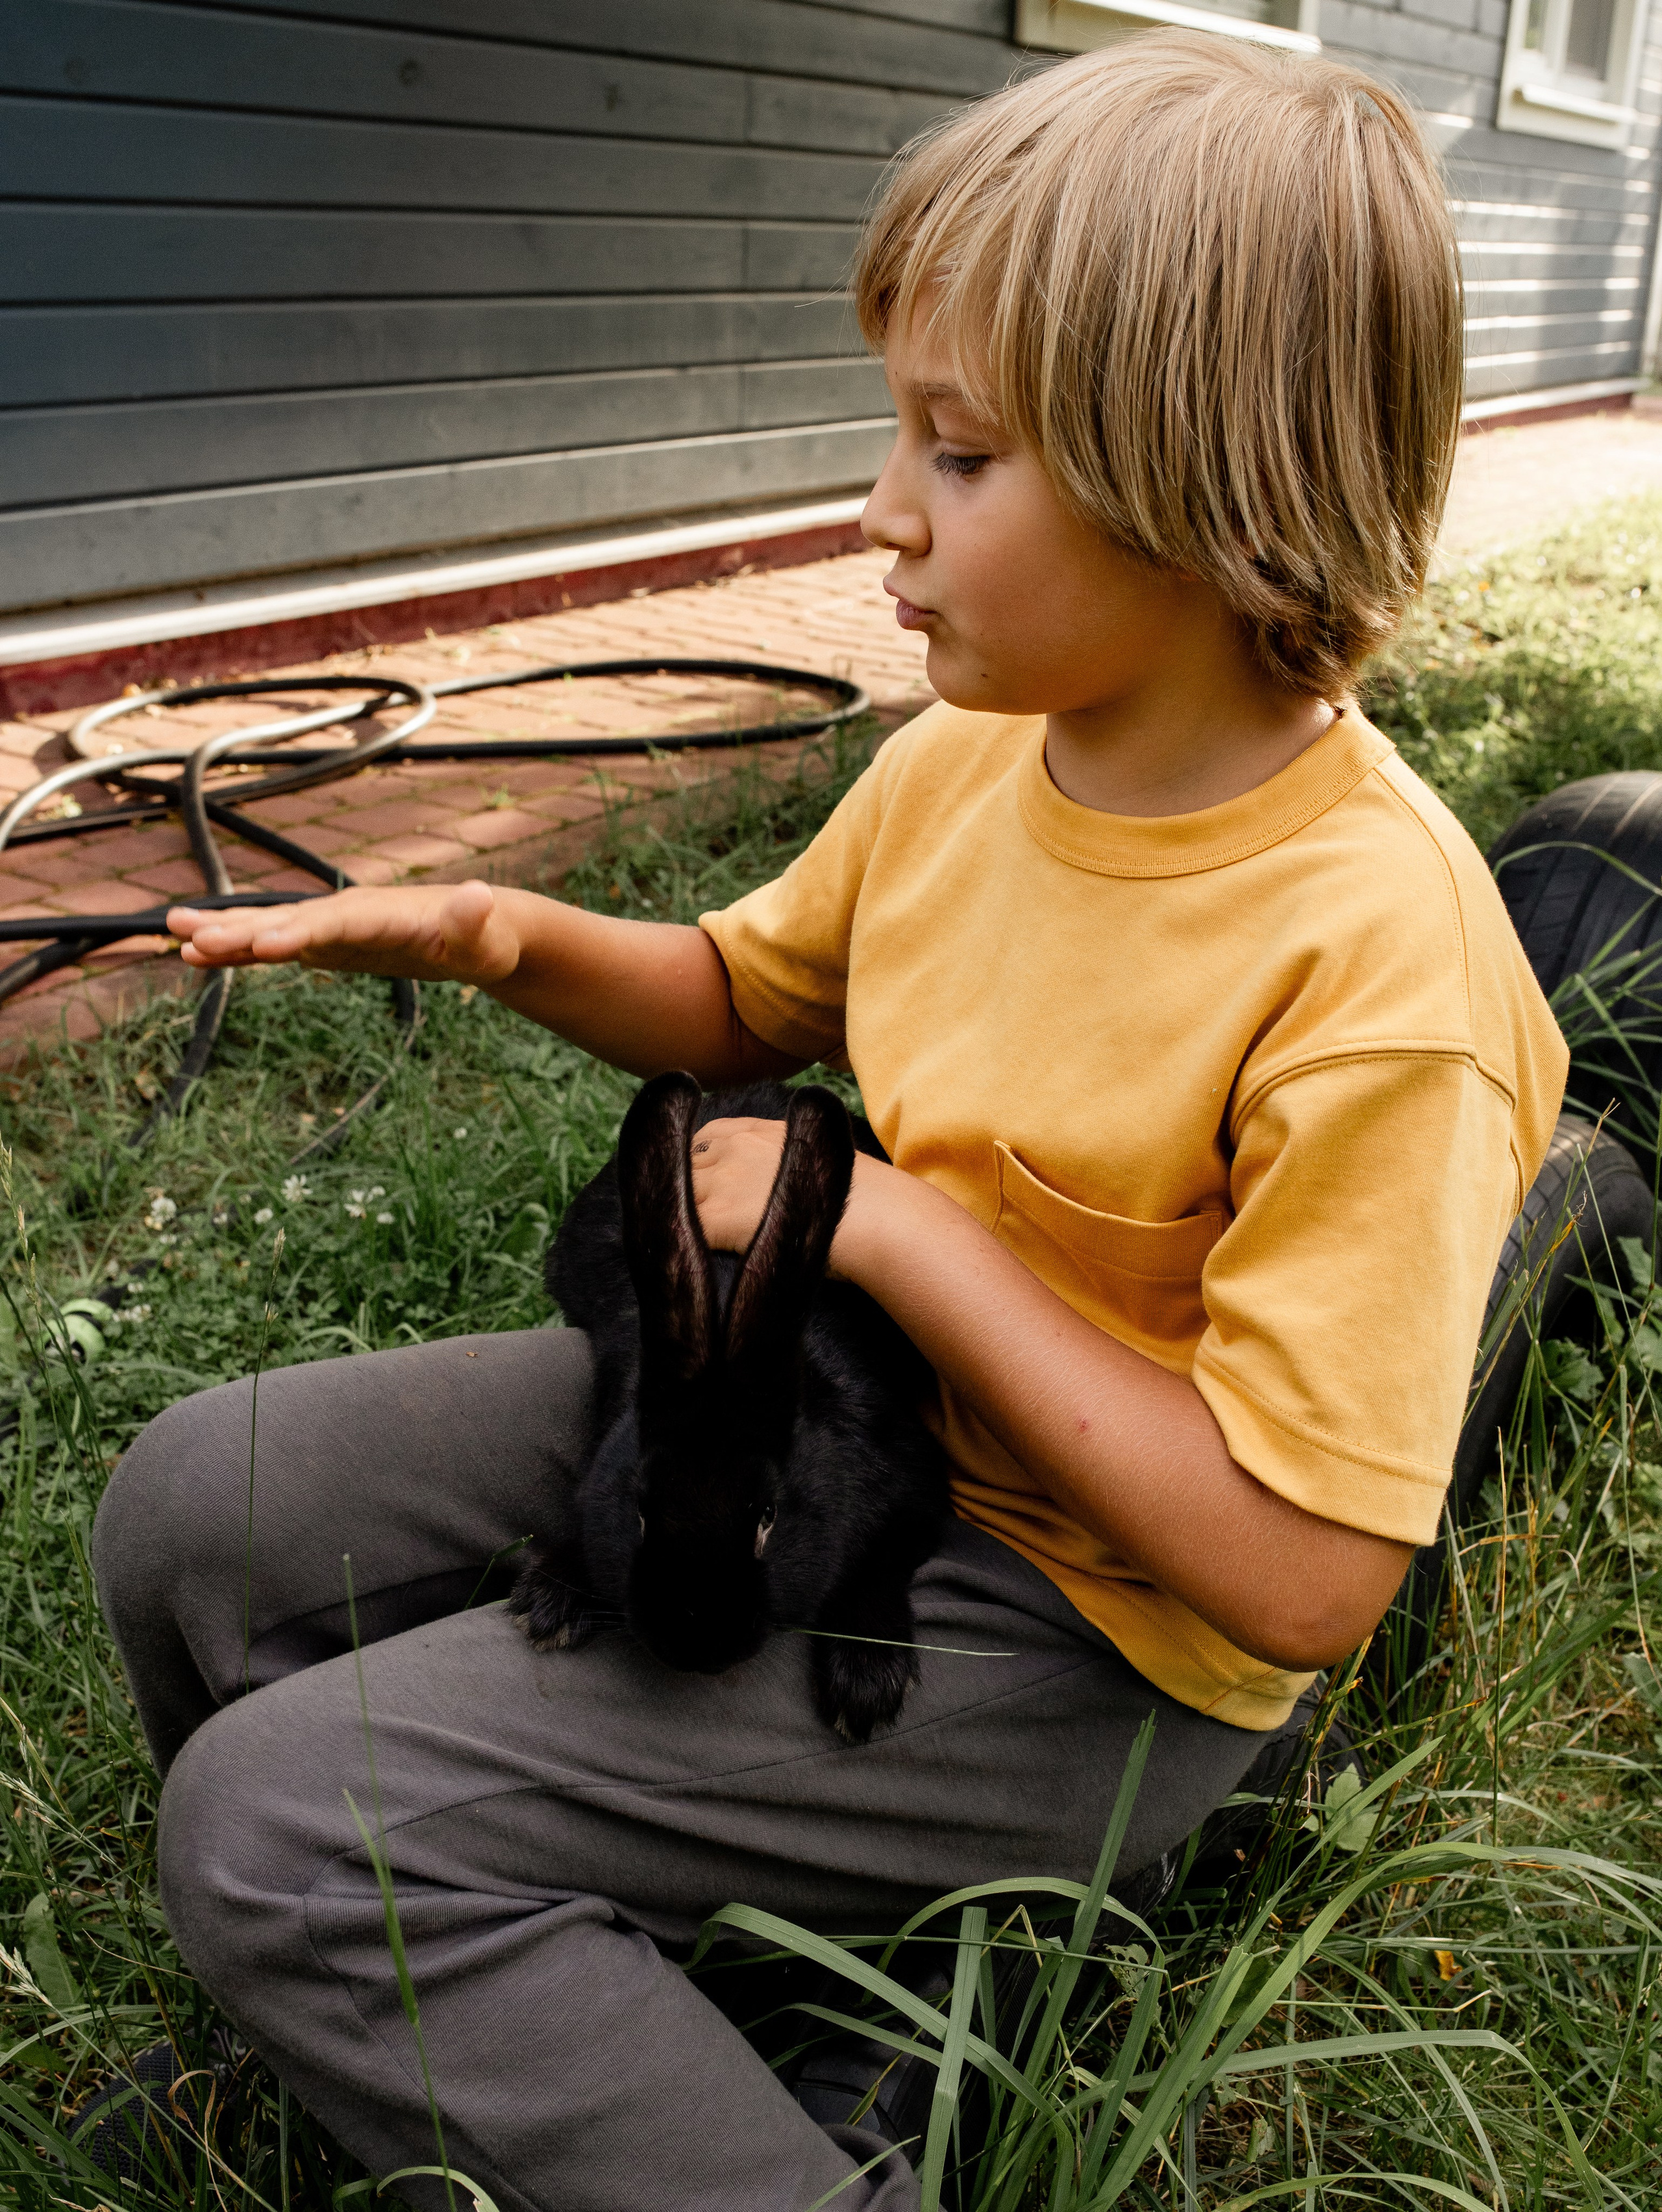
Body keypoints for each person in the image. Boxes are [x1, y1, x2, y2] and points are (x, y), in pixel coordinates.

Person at [93, 31, 1567, 2212]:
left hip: (1078, 1650)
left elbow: (1309, 1572)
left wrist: (892, 1236)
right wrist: (503, 935)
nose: (877, 511)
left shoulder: (1388, 978)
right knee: (196, 1504)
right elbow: (741, 996)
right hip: (831, 1425)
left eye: (955, 456)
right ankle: (465, 1979)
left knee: (283, 1824)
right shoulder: (978, 759)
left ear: (1206, 488)